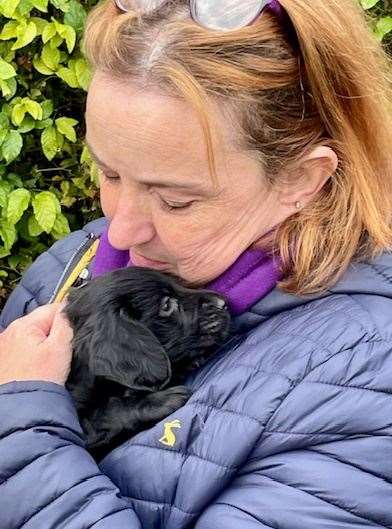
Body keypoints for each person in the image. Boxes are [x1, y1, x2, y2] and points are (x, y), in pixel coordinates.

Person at [1, 0, 392, 527]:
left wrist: (20, 426)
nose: (119, 228)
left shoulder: (364, 381)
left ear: (301, 180)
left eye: (176, 200)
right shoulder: (72, 264)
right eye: (109, 173)